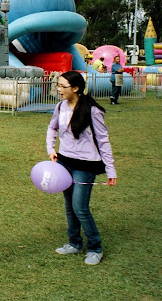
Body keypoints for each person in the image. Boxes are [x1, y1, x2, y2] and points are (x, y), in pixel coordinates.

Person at [46, 70, 118, 266]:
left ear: (76, 88)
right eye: (58, 86)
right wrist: (51, 149)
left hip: (85, 165)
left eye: (63, 86)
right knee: (69, 206)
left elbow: (103, 141)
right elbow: (52, 128)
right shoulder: (60, 107)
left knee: (80, 207)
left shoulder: (92, 110)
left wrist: (111, 170)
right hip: (64, 162)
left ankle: (95, 247)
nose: (59, 90)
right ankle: (74, 243)